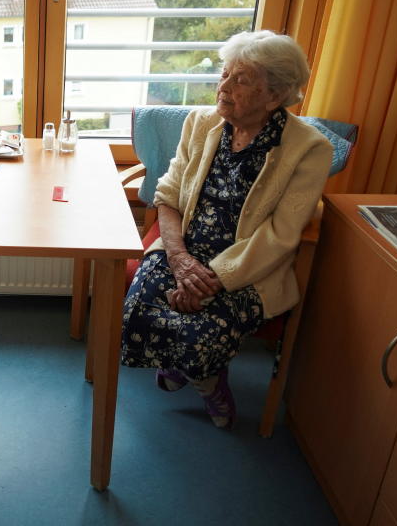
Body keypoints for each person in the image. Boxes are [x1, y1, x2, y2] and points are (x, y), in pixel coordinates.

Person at [120, 30, 332, 429]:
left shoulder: (309, 148)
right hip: (181, 247)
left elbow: (281, 235)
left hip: (248, 266)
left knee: (202, 332)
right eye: (225, 73)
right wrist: (180, 260)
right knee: (136, 310)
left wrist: (212, 278)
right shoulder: (202, 123)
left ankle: (205, 380)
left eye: (241, 79)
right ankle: (198, 372)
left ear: (274, 95)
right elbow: (167, 195)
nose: (224, 86)